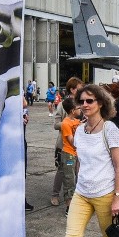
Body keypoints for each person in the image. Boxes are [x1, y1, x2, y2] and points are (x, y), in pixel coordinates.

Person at [47, 84, 119, 237]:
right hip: (82, 194)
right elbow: (80, 161)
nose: (84, 105)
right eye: (81, 101)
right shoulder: (80, 130)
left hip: (105, 194)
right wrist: (77, 186)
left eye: (89, 101)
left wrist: (117, 196)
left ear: (101, 103)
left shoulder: (110, 129)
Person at [51, 77, 84, 206]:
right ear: (73, 89)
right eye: (80, 89)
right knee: (61, 170)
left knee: (78, 171)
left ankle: (76, 196)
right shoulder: (63, 104)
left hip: (78, 144)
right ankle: (55, 194)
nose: (82, 91)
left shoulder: (82, 103)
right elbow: (55, 124)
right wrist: (69, 124)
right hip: (64, 143)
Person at [59, 97, 82, 216]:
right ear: (73, 110)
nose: (81, 109)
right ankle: (69, 207)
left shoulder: (77, 122)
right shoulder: (66, 123)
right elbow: (72, 141)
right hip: (69, 155)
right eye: (78, 108)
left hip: (77, 154)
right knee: (69, 180)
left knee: (78, 179)